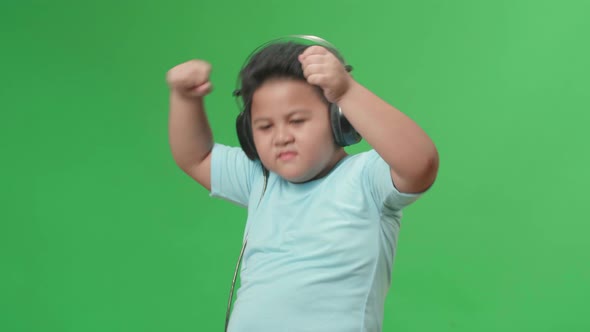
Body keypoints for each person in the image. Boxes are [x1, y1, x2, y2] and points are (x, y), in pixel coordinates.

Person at [166, 37, 439, 332]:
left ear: (339, 121)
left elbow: (419, 163)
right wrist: (185, 98)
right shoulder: (260, 178)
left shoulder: (366, 179)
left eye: (296, 121)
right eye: (265, 126)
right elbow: (197, 156)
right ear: (248, 133)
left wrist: (348, 92)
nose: (281, 136)